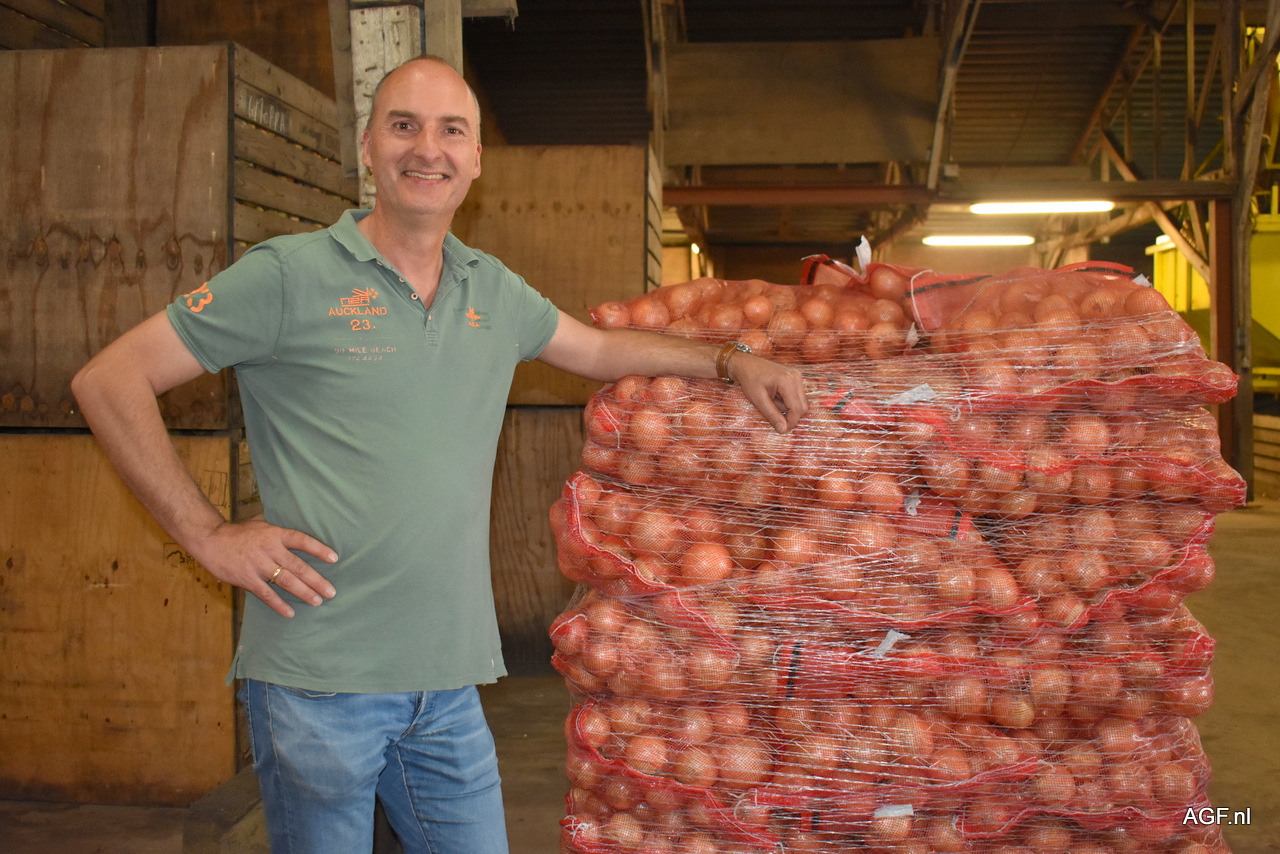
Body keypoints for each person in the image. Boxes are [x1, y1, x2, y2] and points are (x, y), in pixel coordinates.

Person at [72, 54, 808, 853]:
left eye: (451, 130)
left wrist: (731, 361)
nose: (429, 148)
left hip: (448, 685)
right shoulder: (287, 275)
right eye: (404, 126)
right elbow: (109, 380)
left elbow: (597, 349)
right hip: (322, 684)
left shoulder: (491, 289)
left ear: (476, 158)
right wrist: (208, 535)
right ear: (368, 147)